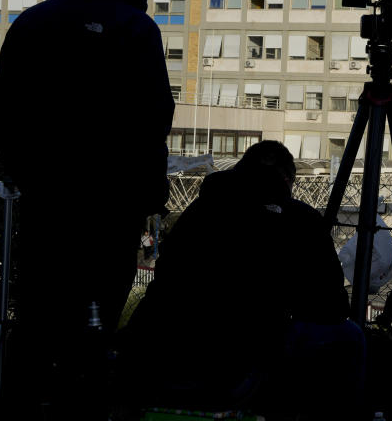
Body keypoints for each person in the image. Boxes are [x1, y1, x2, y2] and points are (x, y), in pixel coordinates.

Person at [0, 0, 173, 419]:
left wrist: (38, 177)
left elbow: (3, 121)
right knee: (94, 328)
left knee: (37, 319)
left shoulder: (32, 23)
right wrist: (141, 194)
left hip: (49, 208)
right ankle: (82, 407)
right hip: (112, 214)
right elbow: (154, 119)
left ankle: (19, 407)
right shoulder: (137, 30)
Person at [117, 141, 364, 420]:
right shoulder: (300, 219)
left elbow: (168, 278)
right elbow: (332, 308)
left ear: (239, 169)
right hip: (237, 369)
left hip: (156, 360)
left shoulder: (196, 213)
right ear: (288, 179)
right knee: (349, 337)